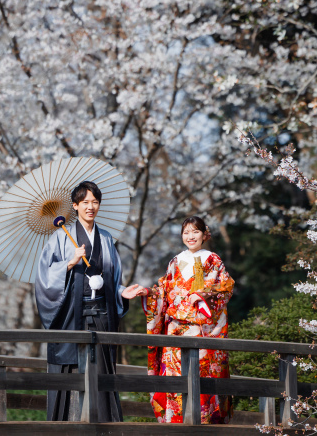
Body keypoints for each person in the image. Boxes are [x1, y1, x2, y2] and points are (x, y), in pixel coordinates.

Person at [35, 180, 148, 422]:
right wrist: (70, 262)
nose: (90, 207)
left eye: (95, 202)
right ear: (74, 206)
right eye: (85, 202)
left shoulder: (106, 239)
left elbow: (112, 277)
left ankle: (104, 426)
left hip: (101, 315)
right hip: (71, 315)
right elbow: (44, 277)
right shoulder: (60, 238)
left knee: (102, 371)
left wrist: (121, 292)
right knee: (70, 371)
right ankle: (68, 425)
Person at [143, 215, 234, 424]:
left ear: (204, 234)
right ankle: (175, 424)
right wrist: (148, 293)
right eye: (186, 232)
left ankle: (204, 425)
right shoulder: (175, 261)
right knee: (174, 380)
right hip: (175, 331)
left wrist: (204, 296)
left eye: (195, 231)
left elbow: (225, 287)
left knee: (202, 383)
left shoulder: (213, 260)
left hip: (203, 331)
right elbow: (163, 292)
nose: (190, 236)